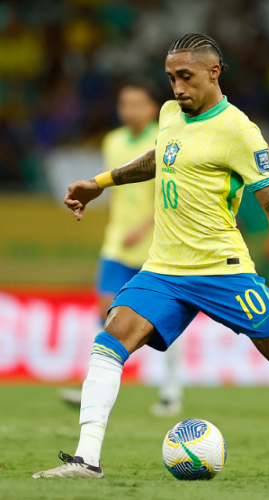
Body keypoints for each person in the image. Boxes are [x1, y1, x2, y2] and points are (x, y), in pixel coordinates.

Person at [33, 33, 269, 479]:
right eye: (171, 78)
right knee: (110, 340)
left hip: (223, 270)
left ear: (213, 72)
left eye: (186, 77)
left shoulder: (240, 131)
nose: (177, 88)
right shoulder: (169, 113)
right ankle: (87, 459)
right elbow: (164, 156)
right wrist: (101, 182)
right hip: (164, 267)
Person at [59, 78, 184, 417]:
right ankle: (94, 383)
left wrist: (143, 227)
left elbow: (170, 193)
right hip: (117, 241)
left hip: (156, 243)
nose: (129, 110)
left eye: (137, 104)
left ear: (151, 108)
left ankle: (171, 389)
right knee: (104, 309)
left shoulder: (168, 135)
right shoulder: (112, 141)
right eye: (124, 104)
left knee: (162, 319)